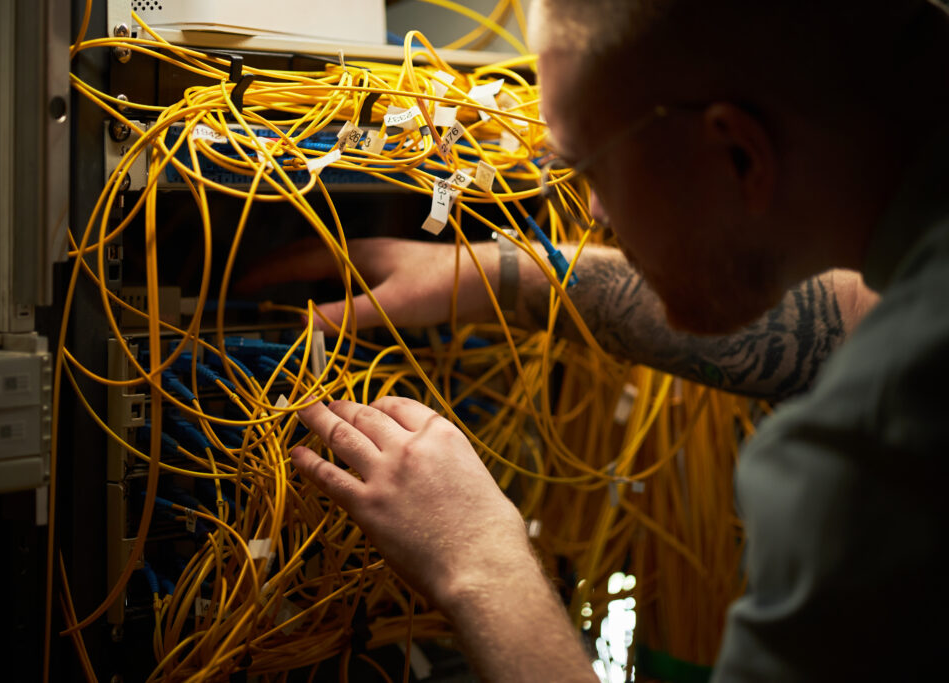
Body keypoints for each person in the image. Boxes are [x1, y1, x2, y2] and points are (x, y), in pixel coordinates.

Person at [252, 0, 949, 679]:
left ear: (737, 151)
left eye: (590, 167)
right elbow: (848, 313)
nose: (592, 213)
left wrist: (477, 561)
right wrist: (492, 276)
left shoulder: (871, 450)